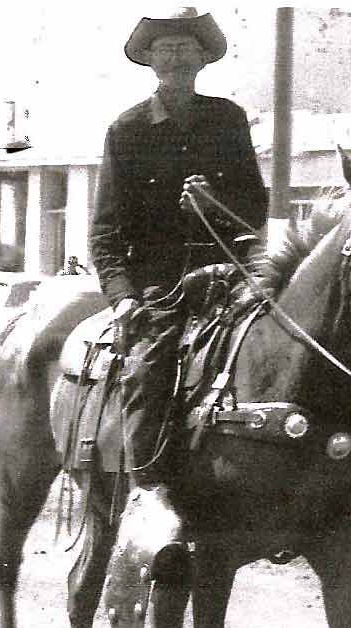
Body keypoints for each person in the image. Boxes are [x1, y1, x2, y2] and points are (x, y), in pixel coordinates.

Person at [89, 9, 268, 513]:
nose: (175, 55)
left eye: (185, 47)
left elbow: (255, 207)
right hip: (160, 287)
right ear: (148, 59)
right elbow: (105, 233)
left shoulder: (228, 120)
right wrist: (123, 299)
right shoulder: (125, 132)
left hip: (229, 277)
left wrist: (216, 201)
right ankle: (146, 497)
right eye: (164, 47)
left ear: (202, 57)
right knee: (149, 373)